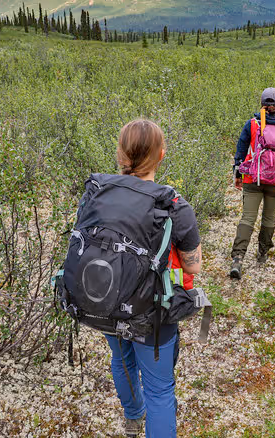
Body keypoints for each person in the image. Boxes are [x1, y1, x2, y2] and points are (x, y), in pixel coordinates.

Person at [103, 119, 202, 437]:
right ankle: (139, 418)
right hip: (153, 310)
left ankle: (133, 417)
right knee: (160, 391)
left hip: (105, 301)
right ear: (161, 155)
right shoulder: (175, 206)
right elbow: (193, 267)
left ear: (120, 154)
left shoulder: (99, 196)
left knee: (121, 360)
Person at [229, 88, 275, 279]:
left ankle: (238, 258)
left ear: (261, 103)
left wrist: (237, 173)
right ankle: (262, 254)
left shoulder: (252, 124)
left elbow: (241, 151)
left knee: (247, 218)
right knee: (269, 219)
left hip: (253, 178)